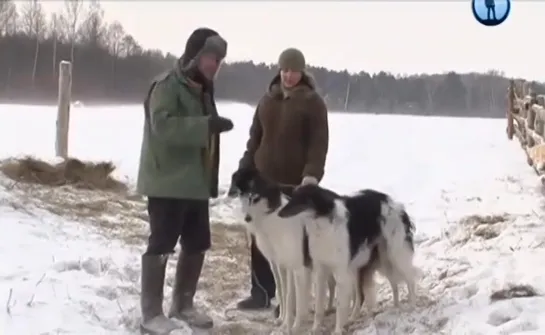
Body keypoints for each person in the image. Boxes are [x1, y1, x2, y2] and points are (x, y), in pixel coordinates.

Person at [136, 27, 233, 334]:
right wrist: (206, 125)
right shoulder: (166, 86)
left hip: (195, 184)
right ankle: (151, 313)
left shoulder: (202, 90)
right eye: (209, 57)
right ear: (194, 55)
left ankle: (183, 305)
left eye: (218, 60)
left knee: (197, 244)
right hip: (166, 182)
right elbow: (162, 126)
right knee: (162, 244)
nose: (214, 65)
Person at [232, 48, 330, 312]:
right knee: (261, 239)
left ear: (302, 72)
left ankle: (291, 301)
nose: (288, 75)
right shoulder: (267, 100)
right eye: (284, 70)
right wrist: (246, 166)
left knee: (291, 244)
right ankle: (261, 293)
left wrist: (311, 175)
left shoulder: (313, 103)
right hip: (263, 182)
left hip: (293, 184)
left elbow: (318, 144)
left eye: (293, 70)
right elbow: (255, 139)